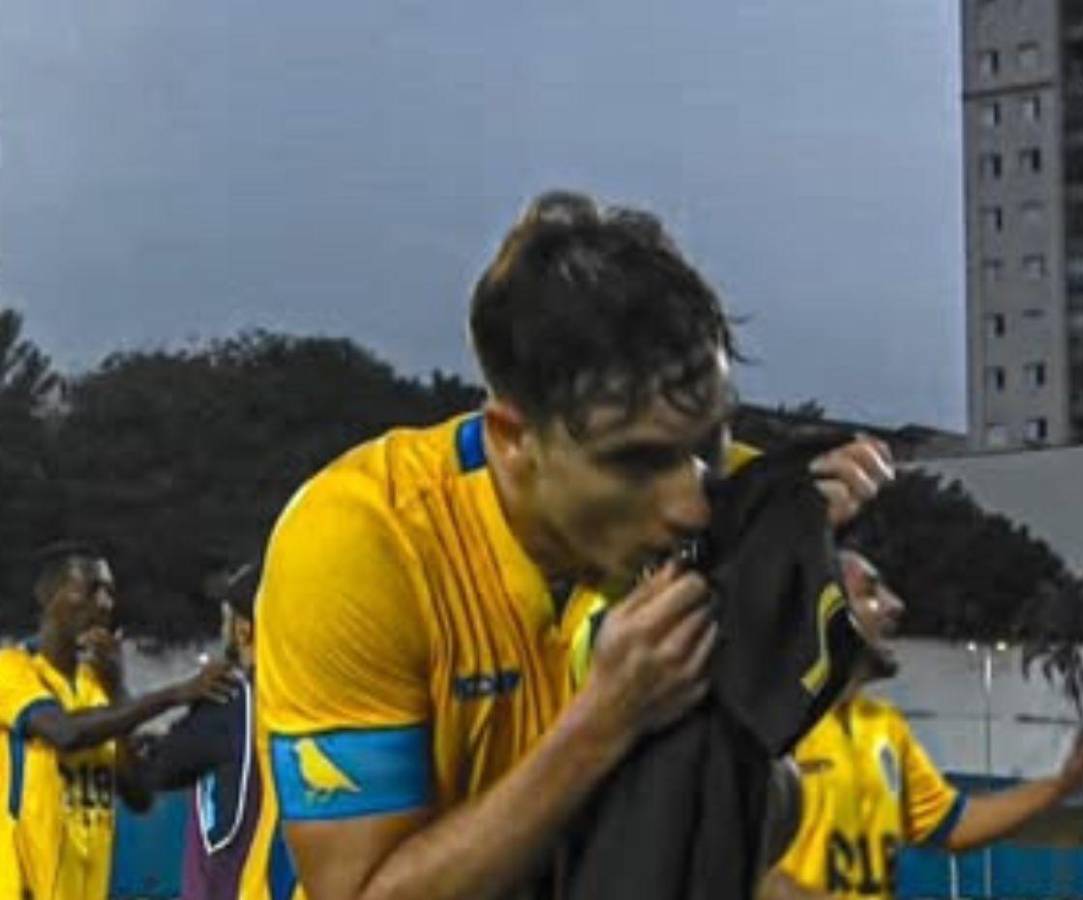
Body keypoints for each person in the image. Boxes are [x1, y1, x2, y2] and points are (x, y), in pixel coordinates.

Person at [244, 190, 894, 900]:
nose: (689, 502)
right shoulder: (359, 544)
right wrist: (607, 720)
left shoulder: (726, 501)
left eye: (709, 445)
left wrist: (796, 523)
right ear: (513, 438)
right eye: (637, 462)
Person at [761, 550, 1083, 900]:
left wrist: (1063, 784)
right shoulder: (766, 725)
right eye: (870, 592)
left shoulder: (883, 726)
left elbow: (952, 824)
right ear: (819, 612)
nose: (895, 604)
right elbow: (744, 866)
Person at [0, 542, 239, 900]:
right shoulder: (12, 669)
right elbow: (64, 733)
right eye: (90, 589)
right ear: (47, 595)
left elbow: (138, 795)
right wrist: (175, 693)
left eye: (110, 592)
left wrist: (117, 688)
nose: (104, 604)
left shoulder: (99, 685)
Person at [142, 561, 261, 900]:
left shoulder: (229, 702)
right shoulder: (320, 705)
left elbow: (155, 769)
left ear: (243, 630)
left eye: (226, 619)